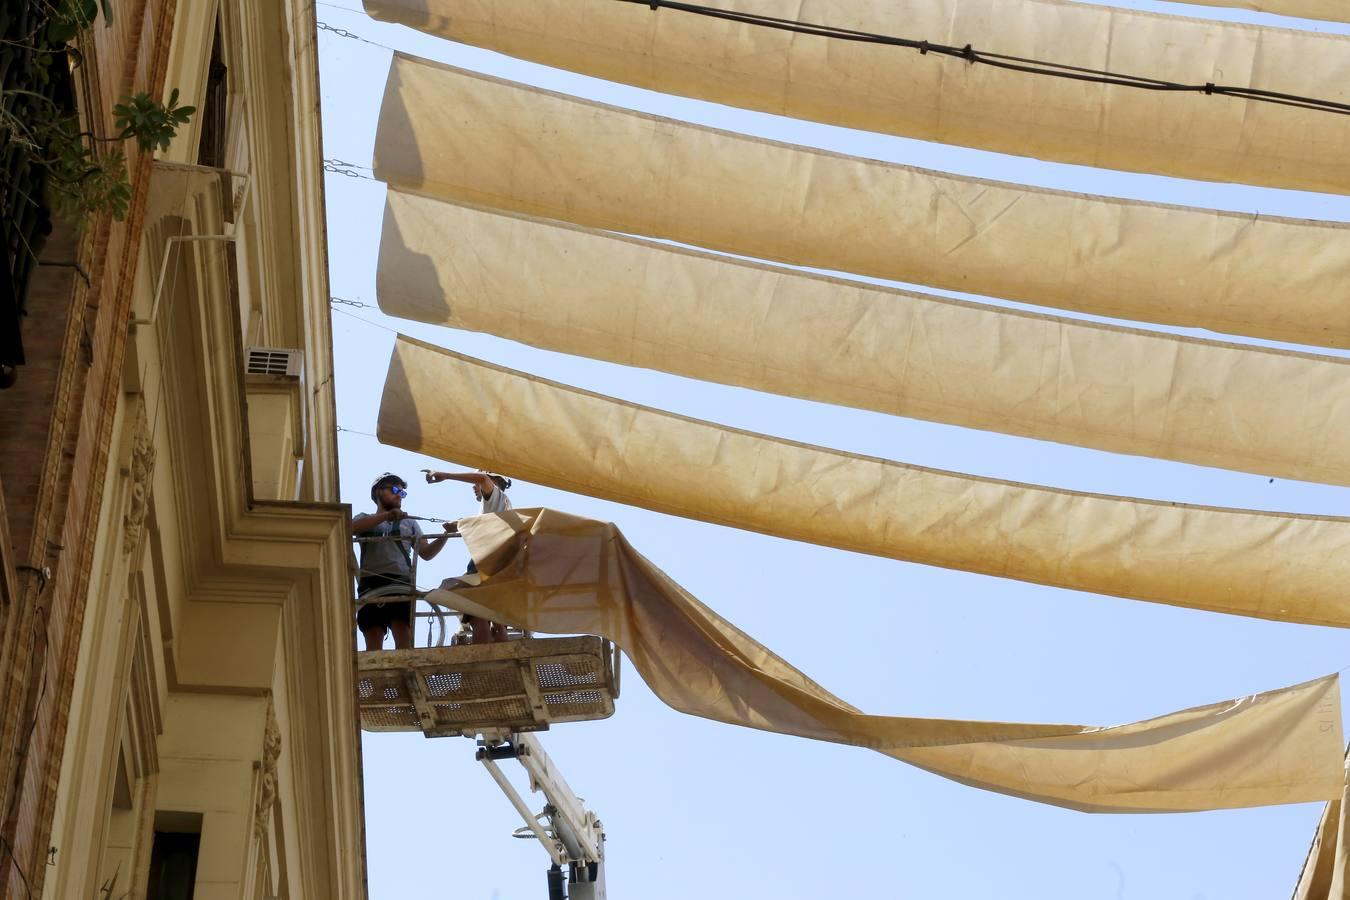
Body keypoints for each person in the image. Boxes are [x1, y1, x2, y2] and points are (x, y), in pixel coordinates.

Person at [351, 472, 454, 651]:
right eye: (394, 489)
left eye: (402, 492)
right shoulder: (364, 518)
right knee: (373, 639)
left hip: (400, 582)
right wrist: (386, 516)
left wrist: (446, 534)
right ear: (378, 492)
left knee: (402, 635)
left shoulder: (409, 523)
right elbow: (349, 528)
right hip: (371, 586)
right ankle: (378, 679)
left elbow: (426, 553)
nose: (399, 494)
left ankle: (403, 677)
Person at [423, 469, 513, 643]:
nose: (474, 486)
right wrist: (458, 525)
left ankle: (486, 666)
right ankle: (503, 664)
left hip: (483, 567)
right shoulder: (501, 505)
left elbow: (482, 478)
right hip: (500, 569)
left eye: (477, 483)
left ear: (495, 482)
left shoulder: (495, 496)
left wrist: (446, 475)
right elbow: (484, 525)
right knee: (498, 623)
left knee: (478, 620)